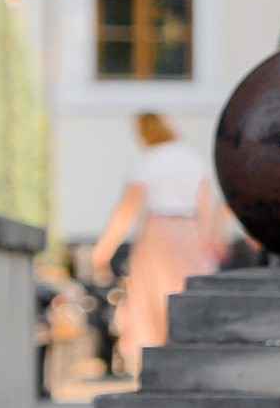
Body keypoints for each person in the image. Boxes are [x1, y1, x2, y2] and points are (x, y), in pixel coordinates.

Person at [87, 113, 229, 376]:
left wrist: (103, 248)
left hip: (159, 231)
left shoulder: (148, 161)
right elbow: (204, 203)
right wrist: (210, 238)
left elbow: (127, 209)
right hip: (190, 230)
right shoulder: (190, 157)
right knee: (187, 291)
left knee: (152, 295)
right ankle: (192, 359)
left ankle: (158, 362)